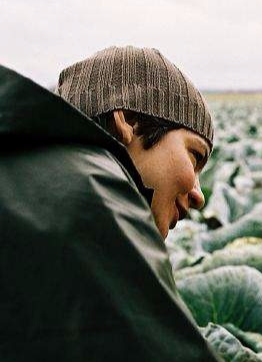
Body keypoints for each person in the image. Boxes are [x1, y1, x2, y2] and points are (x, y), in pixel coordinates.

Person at [0, 46, 220, 361]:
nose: (198, 195)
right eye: (194, 155)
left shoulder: (25, 171)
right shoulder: (91, 195)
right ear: (128, 120)